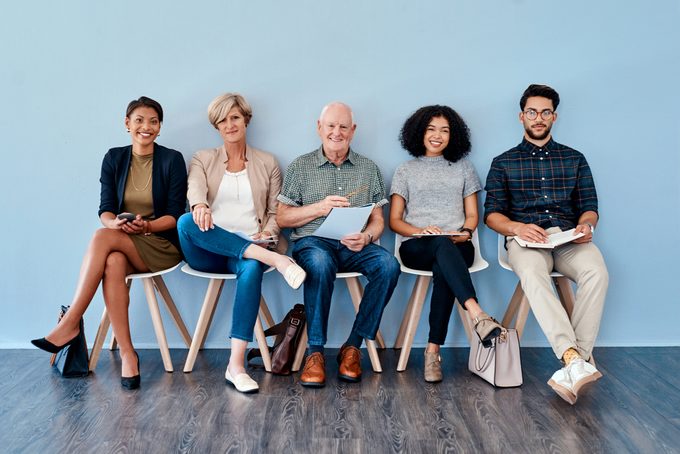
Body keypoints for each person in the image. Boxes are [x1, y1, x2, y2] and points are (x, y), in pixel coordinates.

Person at [31, 96, 188, 390]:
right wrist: (115, 223)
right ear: (127, 124)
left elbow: (176, 216)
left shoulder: (172, 159)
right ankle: (129, 355)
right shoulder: (114, 158)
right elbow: (105, 209)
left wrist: (147, 226)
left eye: (153, 121)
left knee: (100, 237)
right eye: (139, 120)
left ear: (160, 127)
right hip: (123, 240)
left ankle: (71, 322)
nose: (146, 126)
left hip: (161, 245)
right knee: (112, 260)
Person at [484, 84, 609, 404]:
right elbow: (492, 216)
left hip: (567, 238)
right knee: (534, 277)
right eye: (531, 112)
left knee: (597, 271)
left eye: (544, 112)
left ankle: (574, 361)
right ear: (521, 116)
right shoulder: (503, 162)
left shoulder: (574, 158)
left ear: (554, 116)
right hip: (526, 241)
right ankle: (574, 358)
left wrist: (587, 224)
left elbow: (590, 206)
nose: (538, 118)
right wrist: (518, 227)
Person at [176, 93, 306, 394]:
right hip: (207, 248)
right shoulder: (202, 158)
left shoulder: (267, 162)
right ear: (216, 126)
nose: (229, 124)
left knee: (250, 268)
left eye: (234, 117)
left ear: (245, 120)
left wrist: (268, 235)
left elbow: (276, 213)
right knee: (185, 222)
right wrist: (199, 206)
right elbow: (194, 188)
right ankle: (278, 261)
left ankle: (235, 366)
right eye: (222, 120)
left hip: (251, 245)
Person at [277, 102, 400, 387]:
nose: (337, 132)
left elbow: (377, 220)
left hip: (353, 244)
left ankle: (352, 346)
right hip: (313, 244)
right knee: (320, 262)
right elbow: (282, 217)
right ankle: (315, 352)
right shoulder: (300, 166)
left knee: (388, 265)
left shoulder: (369, 169)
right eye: (331, 125)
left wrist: (367, 237)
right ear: (319, 128)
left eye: (343, 126)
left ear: (353, 131)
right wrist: (319, 208)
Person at [389, 105, 504, 383]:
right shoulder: (405, 170)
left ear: (454, 136)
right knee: (440, 247)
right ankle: (477, 314)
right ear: (419, 133)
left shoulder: (464, 168)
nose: (437, 135)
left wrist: (465, 231)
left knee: (444, 260)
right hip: (416, 246)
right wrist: (419, 231)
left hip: (457, 243)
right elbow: (394, 220)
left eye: (444, 130)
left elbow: (473, 215)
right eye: (431, 129)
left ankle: (432, 352)